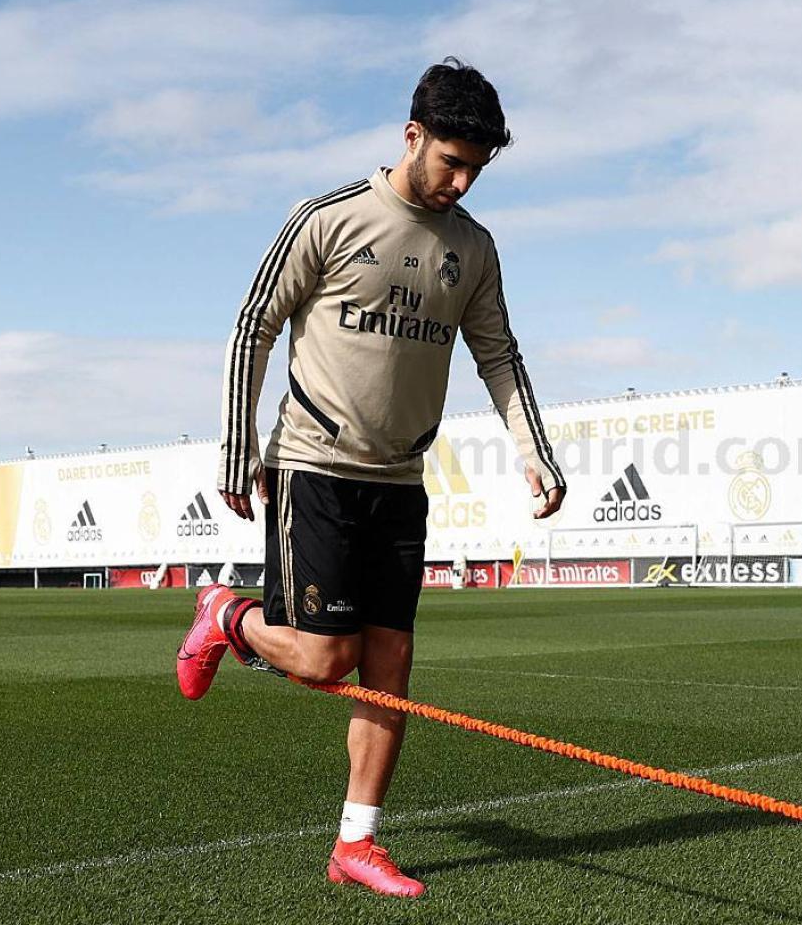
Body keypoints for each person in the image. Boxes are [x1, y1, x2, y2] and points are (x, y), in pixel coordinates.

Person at [175, 58, 566, 899]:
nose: (460, 183)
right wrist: (236, 443)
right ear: (411, 136)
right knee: (323, 661)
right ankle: (225, 614)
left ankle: (357, 843)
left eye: (477, 170)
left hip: (400, 480)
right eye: (449, 162)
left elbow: (498, 354)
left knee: (390, 664)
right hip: (315, 466)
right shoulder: (329, 217)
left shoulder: (474, 248)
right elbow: (254, 327)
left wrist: (533, 449)